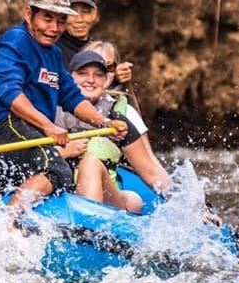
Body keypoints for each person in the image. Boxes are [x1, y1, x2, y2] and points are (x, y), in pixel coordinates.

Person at [0, 0, 129, 217]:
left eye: (60, 21)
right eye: (47, 19)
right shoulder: (14, 42)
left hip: (29, 137)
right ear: (29, 14)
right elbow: (10, 94)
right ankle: (5, 226)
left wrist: (103, 123)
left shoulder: (54, 54)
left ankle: (17, 225)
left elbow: (71, 97)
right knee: (58, 170)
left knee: (54, 180)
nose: (54, 28)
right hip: (3, 129)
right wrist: (49, 126)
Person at [56, 50, 169, 213]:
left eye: (98, 75)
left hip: (103, 197)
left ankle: (89, 228)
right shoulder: (50, 111)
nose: (90, 80)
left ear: (106, 80)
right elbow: (26, 156)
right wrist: (61, 152)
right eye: (82, 73)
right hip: (58, 194)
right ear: (69, 77)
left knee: (92, 164)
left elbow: (151, 171)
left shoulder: (117, 121)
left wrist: (199, 209)